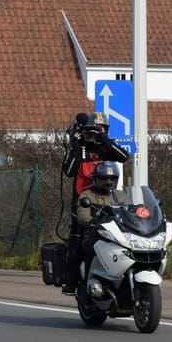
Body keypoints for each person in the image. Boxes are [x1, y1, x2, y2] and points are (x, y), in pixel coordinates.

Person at [61, 112, 129, 293]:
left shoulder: (106, 148)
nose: (96, 133)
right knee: (77, 240)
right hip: (83, 200)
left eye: (102, 129)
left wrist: (104, 139)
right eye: (93, 130)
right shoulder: (81, 148)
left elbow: (123, 156)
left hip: (108, 198)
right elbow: (68, 171)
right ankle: (72, 282)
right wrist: (75, 146)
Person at [76, 162, 127, 280]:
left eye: (112, 178)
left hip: (119, 238)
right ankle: (87, 286)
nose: (108, 182)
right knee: (90, 250)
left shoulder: (121, 196)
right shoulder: (87, 195)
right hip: (95, 237)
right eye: (104, 178)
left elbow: (132, 211)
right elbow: (83, 217)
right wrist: (93, 221)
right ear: (95, 179)